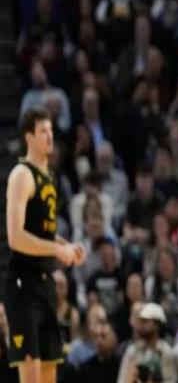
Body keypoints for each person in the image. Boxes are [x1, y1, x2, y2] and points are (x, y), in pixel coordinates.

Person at [4, 108, 87, 383]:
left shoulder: (48, 176)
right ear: (29, 137)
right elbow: (15, 237)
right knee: (31, 375)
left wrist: (67, 246)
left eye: (51, 130)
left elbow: (43, 233)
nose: (50, 136)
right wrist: (57, 250)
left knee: (51, 372)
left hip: (45, 284)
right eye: (43, 131)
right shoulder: (21, 174)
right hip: (23, 286)